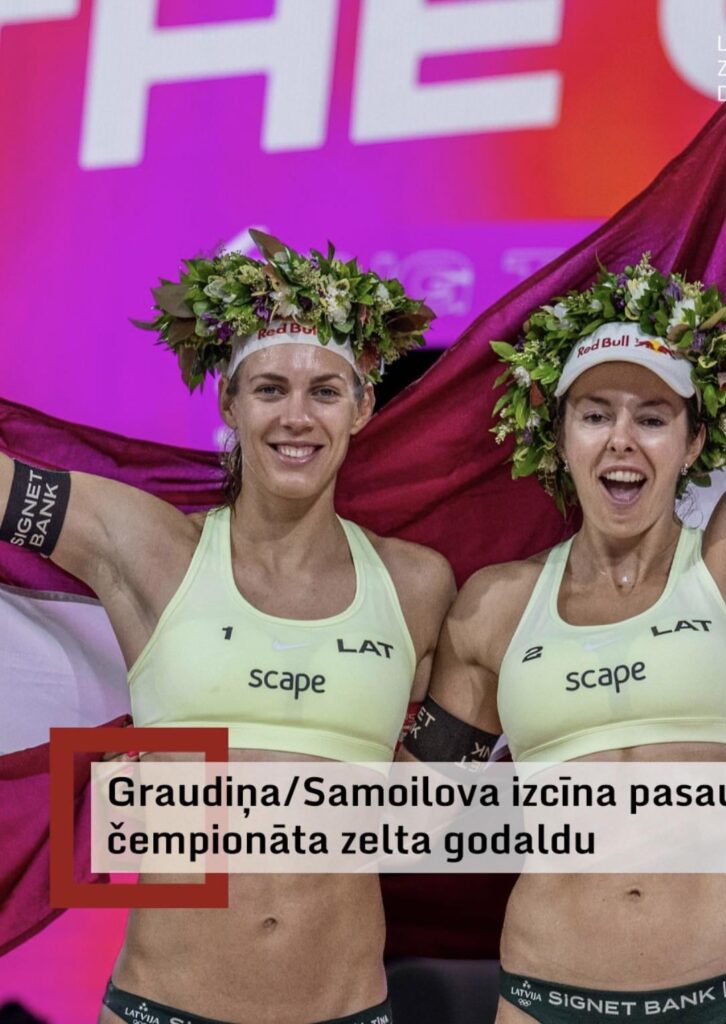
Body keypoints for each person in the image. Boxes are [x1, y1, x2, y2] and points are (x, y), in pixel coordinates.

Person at [403, 12, 726, 1023]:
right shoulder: (493, 608)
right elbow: (416, 805)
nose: (622, 441)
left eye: (652, 416)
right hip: (543, 996)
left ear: (694, 442)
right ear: (555, 438)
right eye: (594, 413)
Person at [0, 230, 455, 1024]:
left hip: (347, 1010)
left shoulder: (415, 584)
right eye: (269, 388)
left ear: (364, 405)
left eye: (325, 390)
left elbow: (423, 804)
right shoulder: (151, 548)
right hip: (162, 1007)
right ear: (229, 403)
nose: (296, 417)